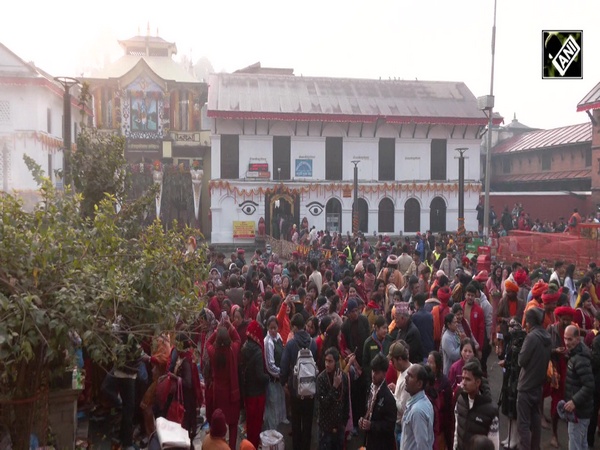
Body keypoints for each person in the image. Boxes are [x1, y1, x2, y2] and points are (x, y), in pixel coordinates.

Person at [280, 313, 318, 450]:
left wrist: (284, 382)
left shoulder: (290, 344)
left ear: (295, 327)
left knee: (296, 421)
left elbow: (284, 366)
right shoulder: (313, 343)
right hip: (311, 389)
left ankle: (296, 446)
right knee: (308, 422)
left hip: (295, 389)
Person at [517, 307, 551, 450]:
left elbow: (521, 361)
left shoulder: (531, 337)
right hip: (538, 385)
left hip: (526, 386)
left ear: (529, 323)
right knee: (535, 420)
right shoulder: (547, 337)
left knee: (523, 424)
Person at [206, 321, 241, 450]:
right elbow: (238, 339)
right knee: (233, 424)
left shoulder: (213, 353)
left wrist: (216, 330)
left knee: (220, 423)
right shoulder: (233, 351)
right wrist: (230, 325)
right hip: (232, 392)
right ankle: (231, 447)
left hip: (218, 393)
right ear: (228, 339)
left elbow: (208, 343)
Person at [453, 360, 499, 450]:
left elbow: (494, 445)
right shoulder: (460, 401)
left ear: (478, 382)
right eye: (463, 378)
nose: (464, 383)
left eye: (468, 379)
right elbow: (457, 431)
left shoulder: (490, 412)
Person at [563, 324, 595, 450]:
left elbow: (589, 385)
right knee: (581, 444)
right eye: (565, 338)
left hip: (579, 412)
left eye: (570, 339)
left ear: (577, 339)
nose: (566, 342)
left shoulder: (580, 359)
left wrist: (574, 401)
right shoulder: (576, 354)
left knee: (575, 445)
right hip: (581, 411)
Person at [239, 320, 269, 448]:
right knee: (256, 423)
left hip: (247, 392)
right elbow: (260, 376)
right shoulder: (257, 351)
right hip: (257, 393)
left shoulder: (244, 347)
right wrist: (268, 377)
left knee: (250, 422)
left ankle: (249, 445)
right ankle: (253, 445)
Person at [359, 353, 397, 449]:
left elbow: (390, 426)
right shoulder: (370, 389)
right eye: (372, 371)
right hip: (369, 442)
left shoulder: (388, 398)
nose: (373, 375)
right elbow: (368, 411)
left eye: (376, 372)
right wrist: (363, 420)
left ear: (384, 373)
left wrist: (372, 426)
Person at [316, 347, 350, 450]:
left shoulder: (343, 377)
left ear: (336, 362)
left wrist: (344, 422)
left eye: (330, 361)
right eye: (326, 361)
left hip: (339, 426)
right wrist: (334, 387)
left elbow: (346, 401)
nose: (327, 364)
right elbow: (324, 402)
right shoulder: (321, 379)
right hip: (325, 426)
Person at [401, 364, 435, 450]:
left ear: (419, 384)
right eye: (407, 374)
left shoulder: (417, 411)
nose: (406, 378)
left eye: (410, 376)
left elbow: (422, 446)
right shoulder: (423, 401)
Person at [387, 340, 412, 448]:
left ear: (400, 359)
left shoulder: (409, 377)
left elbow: (403, 408)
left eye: (393, 361)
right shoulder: (403, 373)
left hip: (402, 426)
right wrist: (395, 390)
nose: (392, 364)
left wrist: (391, 396)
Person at [263, 316, 287, 430]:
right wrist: (281, 373)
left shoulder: (279, 337)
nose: (273, 330)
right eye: (271, 328)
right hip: (272, 379)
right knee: (272, 404)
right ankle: (271, 430)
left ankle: (280, 421)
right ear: (268, 328)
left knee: (280, 400)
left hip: (279, 377)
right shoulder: (268, 342)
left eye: (275, 327)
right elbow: (270, 365)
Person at [428, 351, 453, 450]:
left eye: (431, 363)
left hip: (440, 426)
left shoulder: (445, 383)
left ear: (437, 365)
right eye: (428, 362)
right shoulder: (426, 380)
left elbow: (448, 408)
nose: (428, 365)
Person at [411, 293, 434, 360]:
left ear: (416, 303)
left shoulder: (414, 317)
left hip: (420, 349)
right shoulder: (430, 315)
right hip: (429, 346)